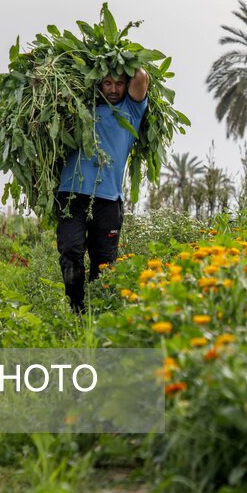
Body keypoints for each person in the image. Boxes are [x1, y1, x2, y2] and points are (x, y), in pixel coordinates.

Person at [56, 68, 148, 313]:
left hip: (108, 200)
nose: (113, 89)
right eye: (107, 83)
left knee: (104, 265)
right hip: (71, 195)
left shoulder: (130, 111)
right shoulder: (77, 106)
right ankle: (77, 312)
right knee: (70, 253)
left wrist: (112, 56)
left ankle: (97, 317)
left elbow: (141, 76)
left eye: (119, 83)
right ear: (97, 83)